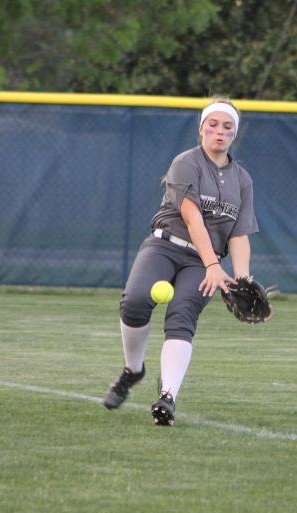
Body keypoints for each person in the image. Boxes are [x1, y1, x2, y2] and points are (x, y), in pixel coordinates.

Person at [103, 97, 259, 426]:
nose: (219, 132)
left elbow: (239, 234)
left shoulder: (242, 179)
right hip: (165, 246)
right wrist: (214, 266)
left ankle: (167, 397)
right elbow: (192, 219)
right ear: (201, 128)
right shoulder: (186, 163)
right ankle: (133, 370)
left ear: (235, 133)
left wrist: (242, 278)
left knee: (182, 316)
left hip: (202, 262)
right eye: (212, 125)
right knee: (135, 301)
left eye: (227, 127)